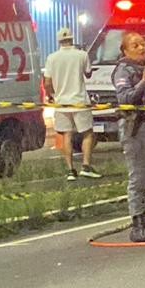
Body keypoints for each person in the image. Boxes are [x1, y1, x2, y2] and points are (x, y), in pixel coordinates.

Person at [111, 32, 145, 242]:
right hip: (136, 127)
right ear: (125, 51)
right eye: (135, 45)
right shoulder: (124, 70)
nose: (142, 48)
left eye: (143, 44)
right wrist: (144, 82)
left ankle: (143, 217)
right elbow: (125, 99)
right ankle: (138, 226)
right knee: (138, 177)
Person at [43, 27, 100, 181]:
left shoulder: (52, 58)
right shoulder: (82, 55)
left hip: (62, 103)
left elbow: (47, 82)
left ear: (58, 41)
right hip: (79, 100)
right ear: (72, 39)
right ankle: (86, 166)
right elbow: (88, 73)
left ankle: (70, 170)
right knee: (87, 133)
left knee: (66, 134)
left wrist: (52, 95)